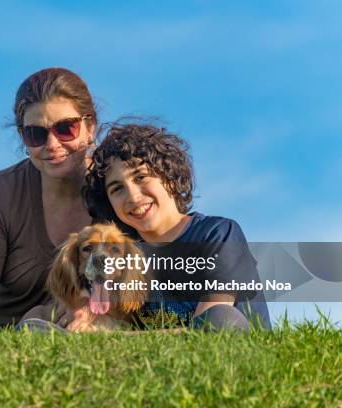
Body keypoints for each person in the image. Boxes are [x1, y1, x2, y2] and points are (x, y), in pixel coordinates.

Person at [83, 121, 271, 330]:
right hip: (160, 360)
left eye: (141, 177)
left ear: (169, 176)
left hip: (228, 354)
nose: (133, 197)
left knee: (219, 317)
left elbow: (211, 326)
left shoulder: (217, 233)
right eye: (117, 189)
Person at [0, 68, 98, 329]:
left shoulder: (120, 190)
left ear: (90, 127)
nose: (52, 144)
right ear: (23, 137)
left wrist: (96, 312)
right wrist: (9, 354)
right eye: (36, 134)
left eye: (66, 129)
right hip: (5, 343)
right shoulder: (1, 194)